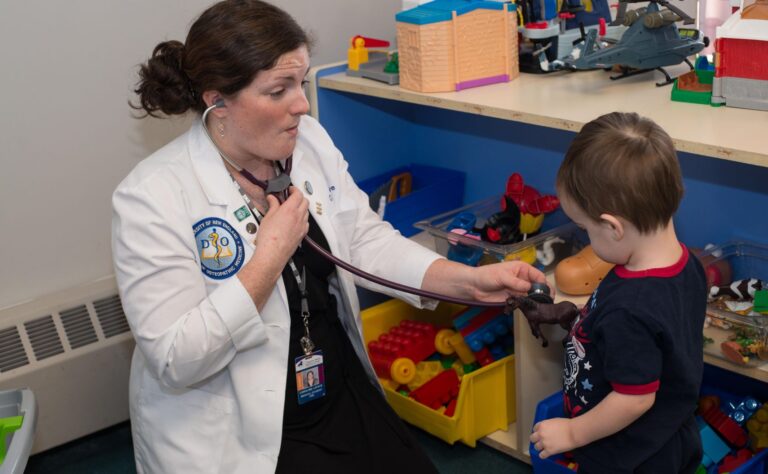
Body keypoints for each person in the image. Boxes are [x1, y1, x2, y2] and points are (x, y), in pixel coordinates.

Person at [113, 1, 550, 473]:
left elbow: (364, 241)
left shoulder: (309, 141)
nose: (301, 103)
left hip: (332, 383)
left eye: (300, 82)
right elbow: (177, 358)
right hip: (238, 429)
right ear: (217, 101)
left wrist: (465, 282)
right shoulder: (151, 197)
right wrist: (269, 259)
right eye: (279, 90)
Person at [529, 112, 707, 473]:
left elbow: (633, 399)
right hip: (668, 433)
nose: (586, 239)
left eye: (585, 228)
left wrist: (574, 433)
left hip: (632, 453)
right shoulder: (688, 265)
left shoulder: (630, 309)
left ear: (612, 227)